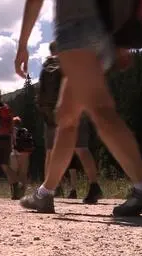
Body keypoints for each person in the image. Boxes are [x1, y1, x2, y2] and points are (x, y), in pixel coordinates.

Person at [15, 0, 142, 216]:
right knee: (67, 117)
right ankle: (45, 194)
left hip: (76, 30)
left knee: (100, 110)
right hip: (105, 31)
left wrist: (22, 44)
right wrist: (122, 37)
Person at [36, 41, 103, 204]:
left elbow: (43, 95)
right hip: (79, 111)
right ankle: (94, 186)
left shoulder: (49, 66)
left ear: (51, 51)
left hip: (55, 114)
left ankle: (46, 191)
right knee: (82, 149)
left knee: (51, 152)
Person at [9, 116, 34, 194]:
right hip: (25, 154)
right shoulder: (25, 131)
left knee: (13, 173)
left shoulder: (11, 131)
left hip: (14, 154)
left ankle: (14, 193)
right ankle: (22, 193)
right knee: (23, 174)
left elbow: (10, 143)